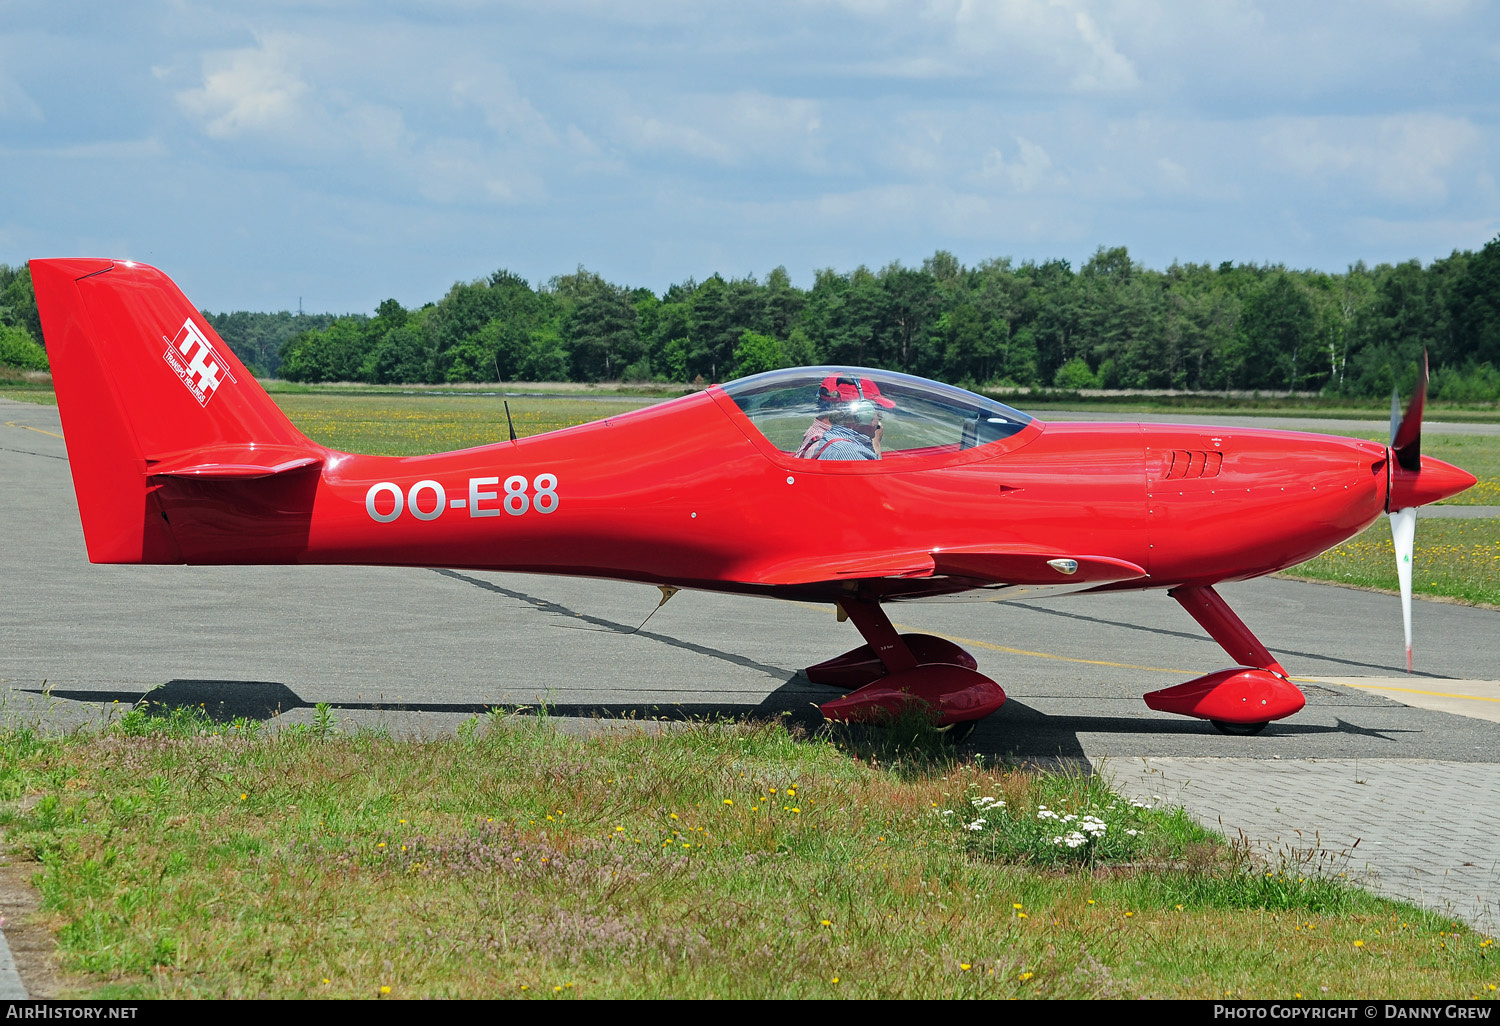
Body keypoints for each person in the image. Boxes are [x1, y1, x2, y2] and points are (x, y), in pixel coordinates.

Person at [797, 375, 895, 461]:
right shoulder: (850, 454)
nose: (880, 416)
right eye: (877, 410)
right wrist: (876, 444)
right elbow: (877, 481)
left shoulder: (834, 439)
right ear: (861, 413)